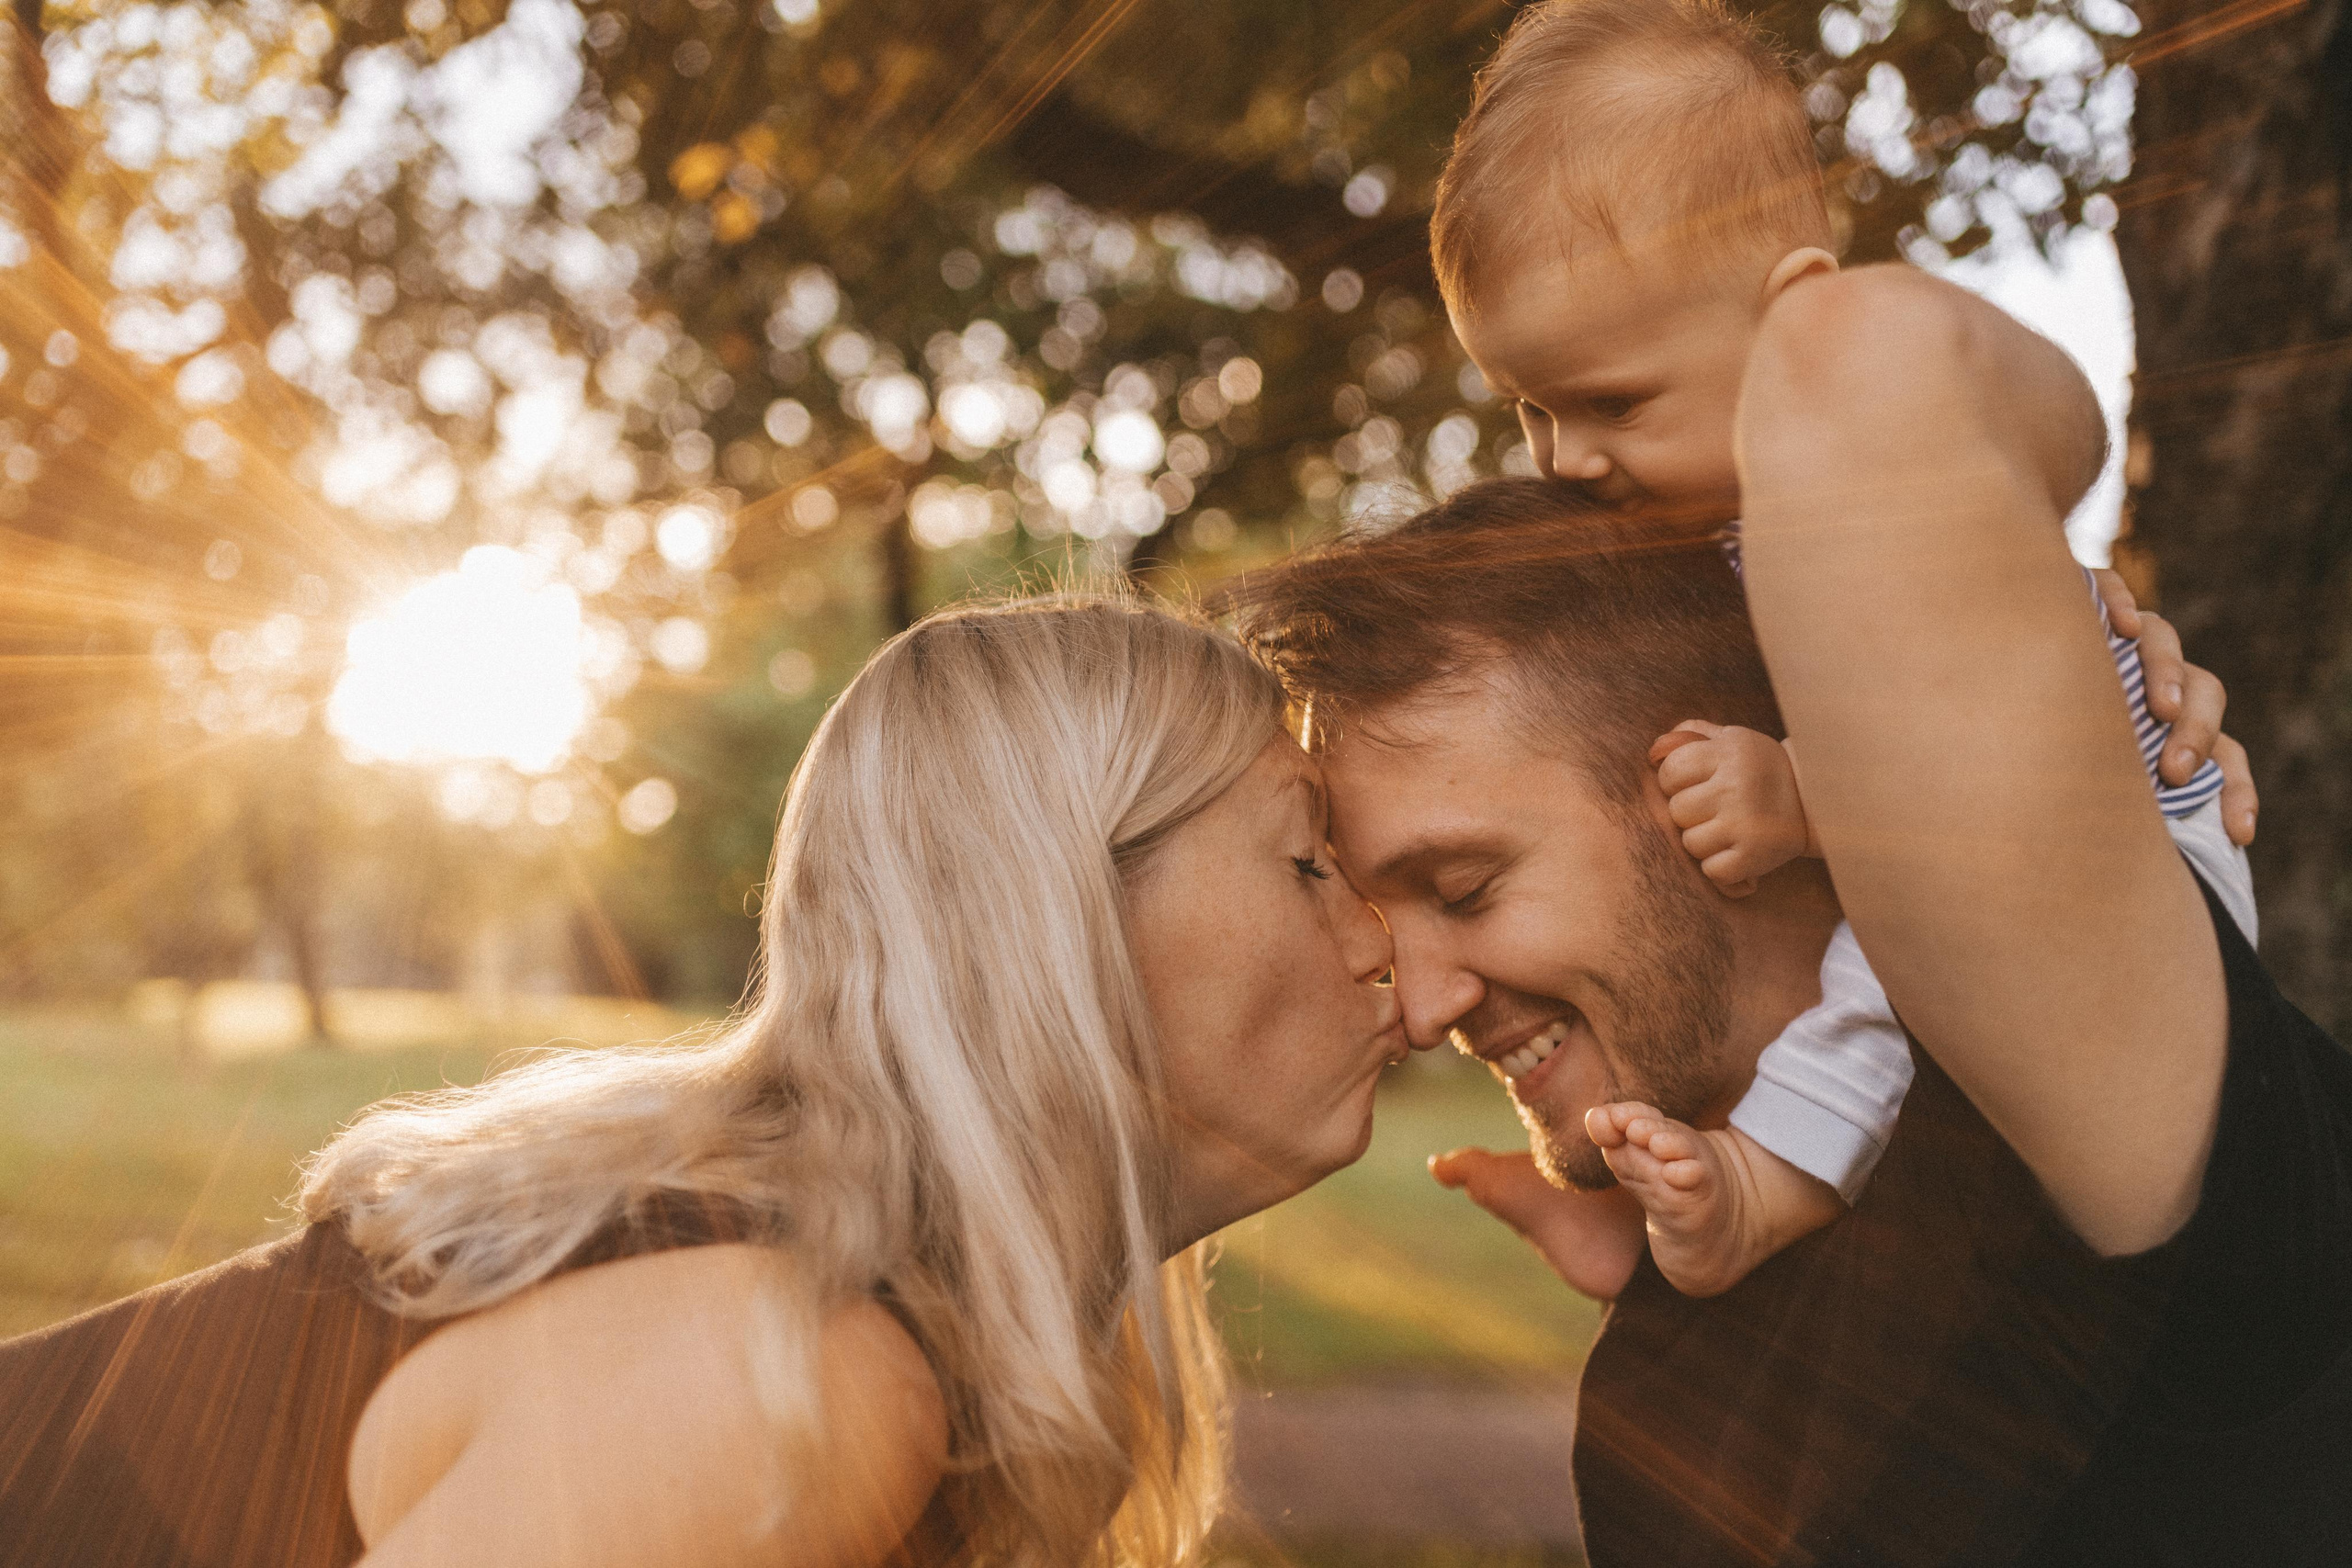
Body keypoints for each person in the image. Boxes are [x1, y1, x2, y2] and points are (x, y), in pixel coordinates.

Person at [0, 597, 1407, 1568]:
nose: (1388, 942)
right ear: (1056, 914)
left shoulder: (888, 1337)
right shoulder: (788, 1374)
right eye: (1306, 865)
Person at [1416, 0, 2264, 1300]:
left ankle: (1770, 1183)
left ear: (1789, 317)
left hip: (2127, 884)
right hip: (1983, 903)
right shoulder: (1694, 539)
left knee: (1886, 976)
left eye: (1613, 403)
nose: (1566, 458)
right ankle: (1657, 1228)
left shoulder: (1880, 490)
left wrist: (1807, 795)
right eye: (1530, 407)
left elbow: (1990, 763)